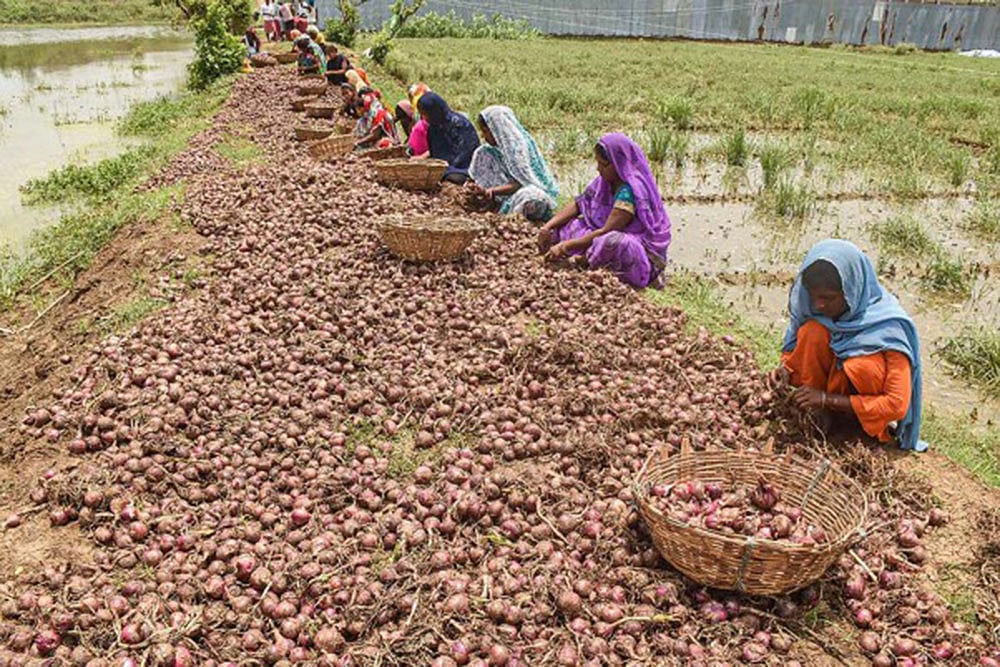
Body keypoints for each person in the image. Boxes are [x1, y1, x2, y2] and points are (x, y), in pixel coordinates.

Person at [770, 239, 925, 451]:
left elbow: (896, 404)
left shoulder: (890, 328)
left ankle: (851, 424)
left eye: (828, 298)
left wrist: (827, 399)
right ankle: (818, 416)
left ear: (853, 290)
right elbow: (794, 353)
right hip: (821, 404)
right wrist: (785, 370)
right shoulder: (815, 313)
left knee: (861, 365)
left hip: (866, 417)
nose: (818, 305)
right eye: (813, 296)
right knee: (811, 332)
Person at [537, 133, 671, 289]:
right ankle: (586, 256)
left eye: (603, 164)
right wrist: (548, 226)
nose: (598, 168)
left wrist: (565, 246)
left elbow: (606, 231)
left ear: (618, 163)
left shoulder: (630, 191)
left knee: (613, 242)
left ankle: (585, 260)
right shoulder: (605, 182)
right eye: (598, 163)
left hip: (636, 246)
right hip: (599, 233)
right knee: (571, 224)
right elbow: (579, 204)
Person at [467, 105, 559, 222]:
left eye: (486, 131)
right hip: (496, 196)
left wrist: (493, 191)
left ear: (498, 129)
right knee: (482, 153)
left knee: (532, 197)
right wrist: (475, 188)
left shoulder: (518, 147)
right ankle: (493, 205)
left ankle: (515, 213)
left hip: (522, 191)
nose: (483, 136)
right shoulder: (486, 151)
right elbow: (475, 176)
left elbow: (522, 182)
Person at [416, 92, 480, 184]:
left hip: (462, 168)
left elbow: (465, 154)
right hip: (441, 167)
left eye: (425, 114)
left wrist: (445, 168)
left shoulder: (459, 125)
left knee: (452, 178)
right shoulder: (433, 128)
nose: (424, 117)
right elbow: (435, 152)